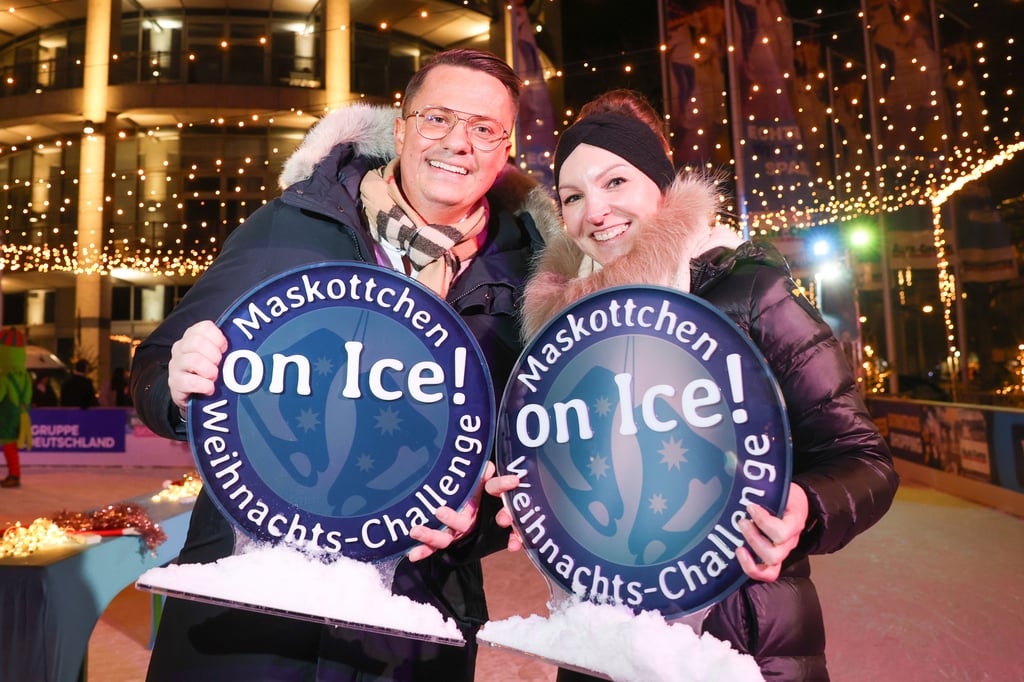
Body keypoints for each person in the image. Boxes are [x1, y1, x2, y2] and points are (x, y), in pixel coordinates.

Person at [129, 48, 553, 681]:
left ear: (505, 147)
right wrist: (174, 380)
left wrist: (473, 524)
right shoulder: (295, 225)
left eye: (484, 128)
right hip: (252, 612)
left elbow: (519, 461)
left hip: (411, 618)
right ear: (403, 127)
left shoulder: (532, 277)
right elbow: (156, 369)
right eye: (438, 118)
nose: (459, 143)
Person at [513, 90, 900, 680]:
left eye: (616, 182)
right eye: (573, 196)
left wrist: (805, 507)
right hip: (603, 644)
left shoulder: (750, 290)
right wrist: (532, 497)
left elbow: (863, 460)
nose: (595, 211)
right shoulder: (565, 330)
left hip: (740, 638)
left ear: (660, 185)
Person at [0, 328, 31, 488]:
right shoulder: (25, 376)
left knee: (9, 446)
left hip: (6, 416)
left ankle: (14, 475)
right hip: (21, 415)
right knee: (11, 446)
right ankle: (14, 474)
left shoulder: (4, 377)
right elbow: (28, 396)